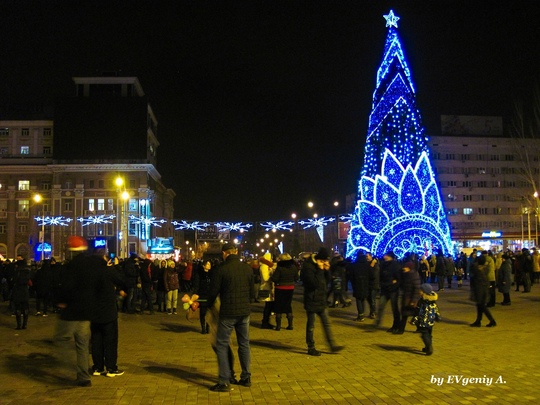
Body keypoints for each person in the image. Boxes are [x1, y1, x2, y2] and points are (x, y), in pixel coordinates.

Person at [207, 243, 254, 392]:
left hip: (228, 312)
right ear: (235, 252)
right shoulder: (247, 268)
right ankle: (246, 377)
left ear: (224, 254)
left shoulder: (221, 269)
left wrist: (207, 304)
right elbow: (252, 292)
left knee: (221, 345)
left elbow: (213, 291)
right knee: (244, 344)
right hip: (244, 312)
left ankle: (224, 380)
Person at [54, 236, 99, 387]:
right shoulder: (91, 265)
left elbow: (66, 287)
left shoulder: (71, 266)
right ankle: (84, 376)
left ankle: (68, 365)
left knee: (61, 338)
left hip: (72, 311)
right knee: (82, 344)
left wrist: (61, 301)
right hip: (86, 311)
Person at [301, 247, 344, 356]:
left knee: (327, 323)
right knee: (311, 326)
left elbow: (327, 281)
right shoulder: (308, 266)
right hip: (312, 299)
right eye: (324, 260)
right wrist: (320, 270)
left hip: (322, 299)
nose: (325, 262)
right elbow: (313, 284)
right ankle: (311, 347)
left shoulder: (321, 265)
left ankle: (332, 345)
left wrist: (327, 270)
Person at [90, 248, 127, 377]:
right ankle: (111, 368)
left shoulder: (91, 272)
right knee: (110, 340)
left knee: (96, 340)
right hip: (108, 311)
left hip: (94, 311)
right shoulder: (108, 271)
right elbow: (122, 280)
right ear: (104, 258)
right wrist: (116, 266)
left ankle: (97, 367)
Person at [410, 283, 441, 356]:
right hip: (431, 321)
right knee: (429, 334)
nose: (419, 292)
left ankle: (429, 347)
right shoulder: (432, 300)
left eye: (420, 291)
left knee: (424, 335)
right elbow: (436, 309)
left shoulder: (422, 301)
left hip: (423, 321)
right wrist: (438, 317)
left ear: (424, 292)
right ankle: (427, 347)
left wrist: (413, 321)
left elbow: (418, 312)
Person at [271, 253, 298, 331]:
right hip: (290, 288)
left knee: (278, 306)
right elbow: (296, 277)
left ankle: (278, 326)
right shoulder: (293, 267)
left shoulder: (280, 267)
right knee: (288, 305)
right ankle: (290, 325)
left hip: (280, 288)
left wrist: (272, 276)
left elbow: (275, 278)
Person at [376, 251, 401, 333]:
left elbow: (399, 278)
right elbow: (380, 276)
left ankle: (396, 325)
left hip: (393, 290)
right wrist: (381, 284)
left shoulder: (395, 265)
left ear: (390, 256)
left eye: (386, 255)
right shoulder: (383, 265)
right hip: (384, 289)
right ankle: (377, 323)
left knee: (394, 308)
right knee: (381, 306)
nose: (384, 256)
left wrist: (395, 283)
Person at [469, 255, 496, 327]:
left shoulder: (477, 269)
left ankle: (492, 320)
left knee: (481, 305)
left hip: (479, 289)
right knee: (480, 305)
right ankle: (478, 321)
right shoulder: (485, 268)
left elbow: (472, 272)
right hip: (484, 288)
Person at [395, 261, 420, 334]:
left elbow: (416, 289)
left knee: (412, 314)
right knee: (405, 314)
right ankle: (401, 329)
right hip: (406, 297)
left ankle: (402, 330)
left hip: (410, 298)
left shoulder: (413, 275)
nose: (404, 268)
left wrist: (414, 300)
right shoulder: (406, 275)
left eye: (405, 267)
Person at [347, 252, 370, 322]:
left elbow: (351, 275)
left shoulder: (355, 265)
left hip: (357, 284)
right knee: (363, 299)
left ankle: (360, 315)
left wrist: (353, 282)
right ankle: (362, 314)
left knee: (358, 300)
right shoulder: (367, 265)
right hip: (365, 284)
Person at [192, 259, 213, 334]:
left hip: (210, 295)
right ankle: (203, 328)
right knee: (203, 312)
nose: (209, 266)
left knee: (209, 312)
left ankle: (208, 327)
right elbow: (197, 285)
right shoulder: (199, 274)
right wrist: (195, 293)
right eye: (207, 264)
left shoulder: (212, 274)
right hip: (202, 295)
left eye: (210, 264)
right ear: (204, 266)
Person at [12, 258, 31, 330]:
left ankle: (19, 325)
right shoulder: (27, 271)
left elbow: (13, 280)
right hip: (25, 291)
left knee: (18, 308)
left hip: (17, 291)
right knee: (25, 308)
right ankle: (25, 324)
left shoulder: (16, 272)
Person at [259, 252, 276, 329]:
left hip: (268, 288)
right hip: (266, 288)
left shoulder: (267, 266)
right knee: (268, 306)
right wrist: (271, 273)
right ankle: (265, 322)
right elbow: (265, 278)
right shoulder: (264, 266)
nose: (271, 260)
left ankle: (266, 321)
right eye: (270, 258)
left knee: (269, 306)